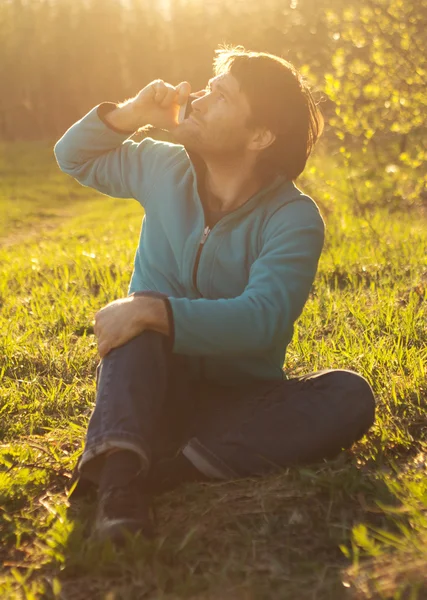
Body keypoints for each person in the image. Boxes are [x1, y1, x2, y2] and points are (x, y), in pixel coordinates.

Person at [54, 45, 376, 544]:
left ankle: (169, 470)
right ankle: (118, 488)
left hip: (238, 400)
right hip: (153, 383)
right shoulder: (162, 168)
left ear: (260, 135)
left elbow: (263, 318)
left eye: (220, 95)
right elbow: (70, 155)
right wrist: (134, 113)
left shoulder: (293, 217)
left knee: (350, 394)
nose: (198, 99)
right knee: (136, 328)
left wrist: (156, 309)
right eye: (206, 88)